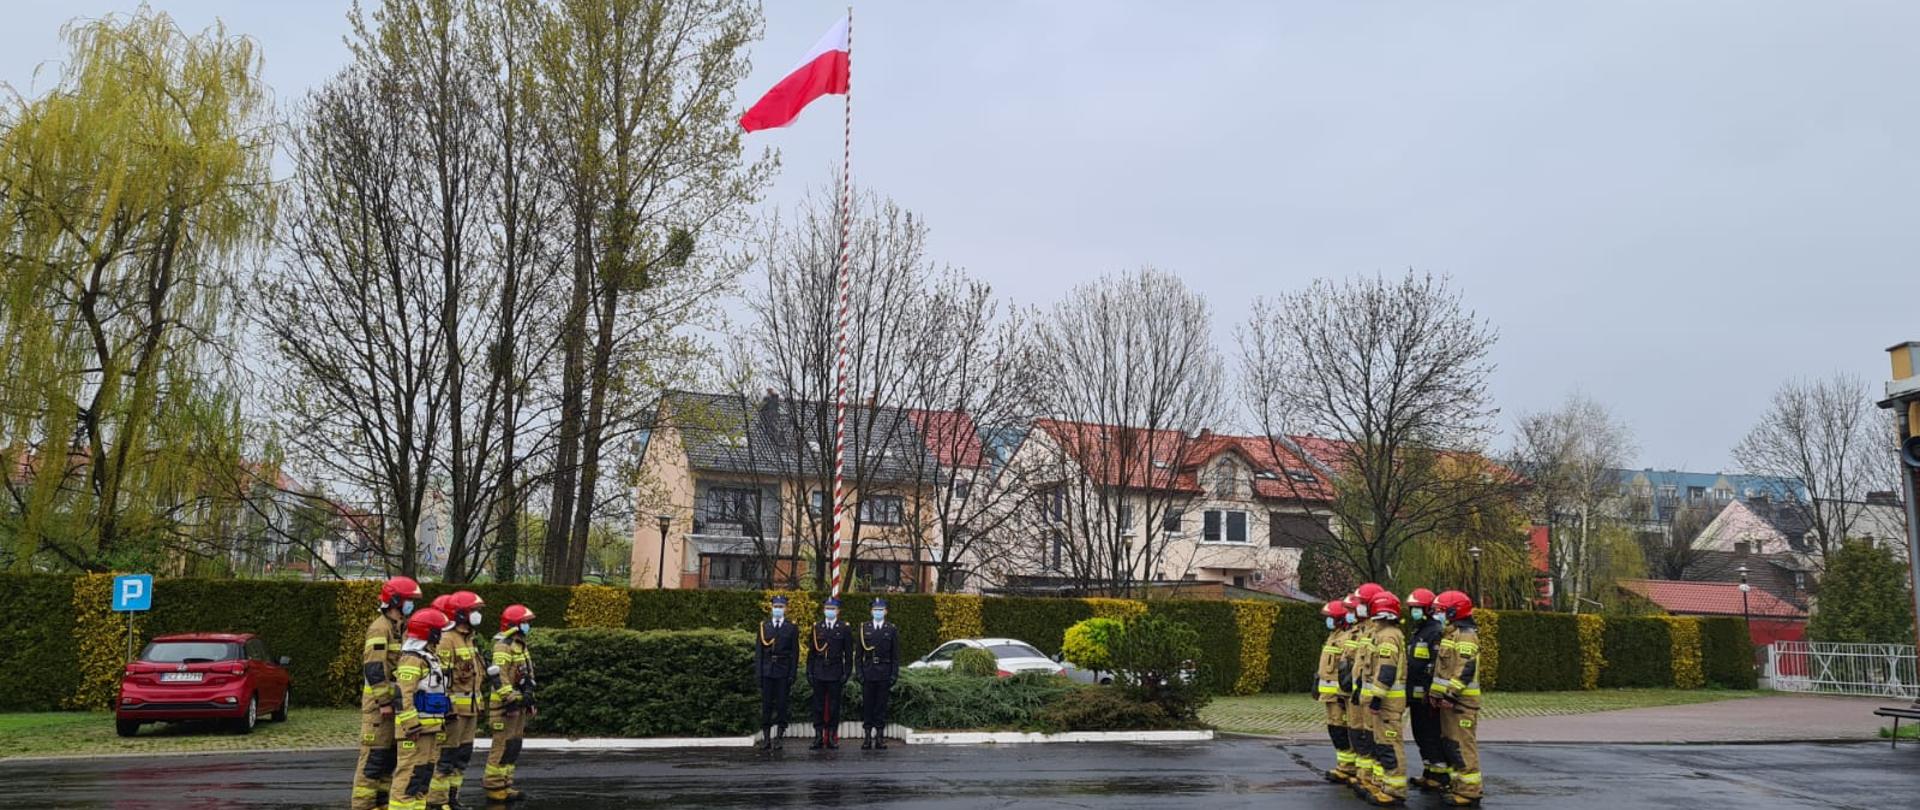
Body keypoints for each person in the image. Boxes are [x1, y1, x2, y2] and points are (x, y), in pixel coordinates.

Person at [352, 576, 421, 810]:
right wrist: (383, 701)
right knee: (373, 760)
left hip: (394, 705)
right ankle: (362, 805)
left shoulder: (401, 627)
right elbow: (374, 668)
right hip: (379, 708)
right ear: (395, 601)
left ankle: (380, 803)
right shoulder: (380, 628)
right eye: (409, 600)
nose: (411, 605)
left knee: (389, 759)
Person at [392, 607, 454, 810]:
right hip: (415, 730)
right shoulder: (413, 658)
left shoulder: (430, 657)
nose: (442, 635)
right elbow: (403, 695)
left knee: (423, 775)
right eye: (439, 630)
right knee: (409, 776)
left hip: (430, 728)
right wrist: (411, 725)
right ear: (430, 632)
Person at [428, 591, 485, 810]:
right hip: (454, 712)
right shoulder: (447, 640)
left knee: (462, 756)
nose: (477, 615)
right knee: (446, 757)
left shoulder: (469, 638)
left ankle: (453, 798)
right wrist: (446, 708)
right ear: (461, 614)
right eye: (474, 611)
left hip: (470, 711)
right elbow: (440, 679)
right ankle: (437, 801)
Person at [1430, 590, 1483, 807]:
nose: (1438, 615)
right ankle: (1458, 785)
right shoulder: (1451, 634)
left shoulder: (1466, 636)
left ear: (1454, 611)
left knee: (1463, 746)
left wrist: (1450, 695)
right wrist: (1436, 694)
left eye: (1441, 611)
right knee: (1452, 745)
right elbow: (1443, 670)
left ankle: (1470, 791)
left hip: (1461, 704)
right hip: (1449, 703)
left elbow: (1464, 670)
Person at [484, 604, 537, 804]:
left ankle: (506, 784)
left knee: (513, 746)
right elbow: (501, 677)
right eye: (524, 622)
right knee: (502, 746)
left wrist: (529, 699)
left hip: (519, 704)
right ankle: (494, 787)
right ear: (514, 624)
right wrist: (512, 701)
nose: (527, 626)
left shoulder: (519, 644)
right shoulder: (503, 645)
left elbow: (526, 674)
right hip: (505, 708)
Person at [1362, 589, 1410, 807]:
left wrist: (1377, 697)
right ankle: (1388, 785)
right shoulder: (1384, 633)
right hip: (1388, 701)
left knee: (1390, 745)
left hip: (1388, 702)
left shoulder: (1388, 636)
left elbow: (1387, 670)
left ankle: (1395, 790)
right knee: (1383, 744)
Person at [1404, 587, 1450, 793]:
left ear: (1427, 609)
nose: (1413, 611)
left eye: (1416, 608)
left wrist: (1433, 692)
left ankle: (1439, 775)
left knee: (1431, 734)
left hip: (1426, 695)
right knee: (1420, 733)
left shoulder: (1435, 632)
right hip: (1414, 693)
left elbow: (1436, 666)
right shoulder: (1418, 631)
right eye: (1412, 608)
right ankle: (1429, 771)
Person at [1345, 583, 1384, 798]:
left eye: (1360, 605)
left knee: (1373, 737)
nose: (1357, 609)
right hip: (1361, 694)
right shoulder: (1366, 630)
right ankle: (1365, 775)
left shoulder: (1379, 633)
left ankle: (1374, 779)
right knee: (1362, 734)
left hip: (1373, 696)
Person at [1317, 599, 1357, 784]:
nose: (1328, 621)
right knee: (1335, 729)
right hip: (1329, 694)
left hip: (1339, 695)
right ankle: (1343, 765)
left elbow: (1346, 670)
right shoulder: (1333, 636)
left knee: (1342, 730)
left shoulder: (1347, 638)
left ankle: (1349, 768)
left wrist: (1343, 695)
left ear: (1340, 619)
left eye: (1331, 618)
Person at [807, 597, 854, 750]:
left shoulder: (844, 628)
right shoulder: (817, 627)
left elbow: (848, 653)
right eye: (827, 608)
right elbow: (812, 653)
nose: (830, 611)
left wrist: (846, 672)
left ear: (838, 611)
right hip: (819, 671)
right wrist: (809, 671)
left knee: (834, 707)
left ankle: (832, 736)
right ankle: (818, 736)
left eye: (832, 609)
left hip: (835, 671)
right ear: (824, 610)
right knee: (818, 707)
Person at [754, 595, 799, 749]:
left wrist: (792, 673)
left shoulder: (791, 627)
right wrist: (758, 674)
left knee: (781, 704)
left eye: (781, 607)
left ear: (785, 608)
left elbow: (794, 653)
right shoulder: (764, 626)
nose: (778, 609)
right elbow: (759, 652)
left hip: (783, 670)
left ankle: (779, 736)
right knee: (766, 705)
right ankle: (766, 738)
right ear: (771, 608)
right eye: (775, 607)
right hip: (767, 670)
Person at [854, 597, 899, 750]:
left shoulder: (891, 629)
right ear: (871, 611)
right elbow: (858, 655)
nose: (878, 612)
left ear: (885, 611)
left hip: (884, 672)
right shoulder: (864, 628)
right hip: (868, 672)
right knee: (867, 705)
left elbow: (895, 655)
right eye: (875, 610)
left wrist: (894, 674)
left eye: (880, 610)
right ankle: (867, 737)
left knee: (881, 706)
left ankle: (879, 737)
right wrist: (859, 672)